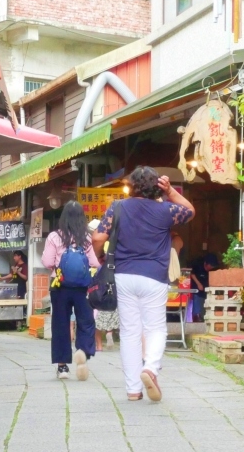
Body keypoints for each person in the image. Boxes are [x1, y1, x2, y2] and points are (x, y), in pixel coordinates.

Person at [93, 167, 195, 402]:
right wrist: (169, 191)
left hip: (123, 275)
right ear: (156, 187)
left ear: (131, 186)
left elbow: (98, 237)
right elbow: (190, 210)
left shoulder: (117, 207)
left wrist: (100, 257)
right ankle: (150, 367)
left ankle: (132, 390)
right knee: (155, 328)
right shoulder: (166, 210)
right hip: (154, 276)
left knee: (129, 332)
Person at [43, 202, 100, 380]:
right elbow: (95, 263)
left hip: (60, 285)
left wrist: (59, 268)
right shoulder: (87, 238)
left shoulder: (54, 236)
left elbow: (47, 261)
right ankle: (82, 351)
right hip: (83, 287)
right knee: (86, 321)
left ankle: (62, 367)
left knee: (60, 323)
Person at [89, 219, 119, 352]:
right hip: (112, 282)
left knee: (97, 315)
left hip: (98, 282)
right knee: (111, 310)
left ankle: (99, 346)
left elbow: (94, 261)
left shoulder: (96, 244)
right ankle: (109, 332)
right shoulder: (113, 244)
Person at [190, 253, 219, 322]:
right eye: (210, 265)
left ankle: (203, 317)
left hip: (206, 289)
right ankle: (196, 316)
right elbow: (192, 274)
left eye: (213, 266)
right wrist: (198, 284)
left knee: (205, 302)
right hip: (197, 288)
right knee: (197, 297)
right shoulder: (198, 265)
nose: (211, 267)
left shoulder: (213, 270)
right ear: (206, 263)